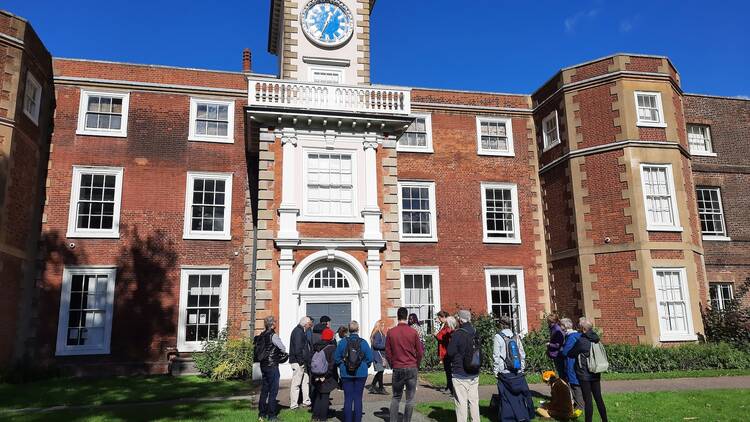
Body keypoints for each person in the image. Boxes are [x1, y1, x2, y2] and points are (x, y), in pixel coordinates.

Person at [386, 307, 424, 422]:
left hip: (398, 367)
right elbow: (420, 352)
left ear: (397, 316)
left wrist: (392, 364)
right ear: (406, 317)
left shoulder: (391, 332)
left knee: (396, 397)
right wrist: (416, 364)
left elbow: (388, 352)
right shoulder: (413, 332)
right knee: (410, 398)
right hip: (411, 367)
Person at [493, 315, 534, 422]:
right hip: (517, 371)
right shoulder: (516, 336)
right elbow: (522, 353)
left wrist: (496, 371)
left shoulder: (498, 337)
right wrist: (522, 367)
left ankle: (508, 418)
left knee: (506, 397)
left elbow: (496, 356)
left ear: (500, 324)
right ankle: (522, 416)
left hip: (505, 371)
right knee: (519, 396)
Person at [567, 317, 608, 422]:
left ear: (584, 329)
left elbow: (571, 353)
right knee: (598, 398)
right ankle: (605, 420)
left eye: (581, 328)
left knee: (588, 400)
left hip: (584, 373)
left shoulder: (582, 341)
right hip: (595, 370)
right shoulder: (596, 338)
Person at [334, 321, 373, 422]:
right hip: (361, 373)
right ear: (358, 329)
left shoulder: (343, 342)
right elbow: (370, 358)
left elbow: (336, 357)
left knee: (348, 398)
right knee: (358, 398)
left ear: (349, 330)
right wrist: (364, 365)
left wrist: (342, 365)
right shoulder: (363, 342)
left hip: (346, 373)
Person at [446, 310, 481, 422]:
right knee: (474, 402)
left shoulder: (458, 333)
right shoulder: (475, 331)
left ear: (460, 320)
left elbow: (450, 352)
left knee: (461, 403)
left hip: (460, 372)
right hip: (474, 370)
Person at [254, 316, 288, 422]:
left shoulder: (262, 335)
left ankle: (261, 414)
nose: (276, 323)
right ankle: (272, 416)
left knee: (264, 390)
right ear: (272, 324)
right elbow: (283, 348)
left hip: (263, 365)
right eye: (275, 322)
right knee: (273, 391)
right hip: (272, 365)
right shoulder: (273, 335)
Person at [310, 328, 338, 422]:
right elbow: (332, 364)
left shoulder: (316, 346)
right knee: (325, 397)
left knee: (318, 395)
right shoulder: (331, 348)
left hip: (315, 374)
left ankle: (315, 416)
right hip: (326, 375)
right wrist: (326, 375)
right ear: (330, 337)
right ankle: (322, 417)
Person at [289, 316, 313, 410]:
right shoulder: (298, 332)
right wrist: (301, 362)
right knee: (296, 383)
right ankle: (294, 404)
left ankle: (306, 401)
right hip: (298, 362)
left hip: (302, 361)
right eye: (309, 324)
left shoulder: (300, 330)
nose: (310, 326)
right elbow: (298, 348)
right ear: (305, 324)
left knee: (305, 381)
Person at [561, 317, 584, 411]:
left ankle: (580, 407)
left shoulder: (571, 337)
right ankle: (579, 405)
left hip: (572, 364)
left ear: (565, 326)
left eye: (561, 325)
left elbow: (565, 352)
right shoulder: (577, 335)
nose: (560, 327)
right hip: (578, 364)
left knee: (575, 385)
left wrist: (560, 350)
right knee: (577, 385)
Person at [435, 312, 455, 397]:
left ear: (443, 317)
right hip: (445, 350)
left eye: (439, 318)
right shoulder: (445, 325)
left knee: (449, 370)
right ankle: (448, 387)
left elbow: (442, 336)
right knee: (447, 370)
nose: (439, 320)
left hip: (447, 351)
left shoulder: (448, 326)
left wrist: (436, 335)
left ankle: (451, 388)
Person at [369, 319, 388, 395]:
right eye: (382, 325)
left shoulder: (380, 333)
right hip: (378, 356)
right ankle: (380, 388)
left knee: (380, 371)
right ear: (379, 325)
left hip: (380, 355)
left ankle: (373, 386)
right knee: (380, 371)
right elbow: (375, 345)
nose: (383, 326)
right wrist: (385, 346)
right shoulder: (377, 333)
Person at [546, 313, 566, 382]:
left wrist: (549, 344)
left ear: (551, 321)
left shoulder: (557, 330)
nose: (547, 323)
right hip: (556, 354)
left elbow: (558, 344)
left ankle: (564, 389)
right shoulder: (553, 328)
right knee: (560, 372)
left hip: (558, 354)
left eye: (548, 321)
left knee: (562, 373)